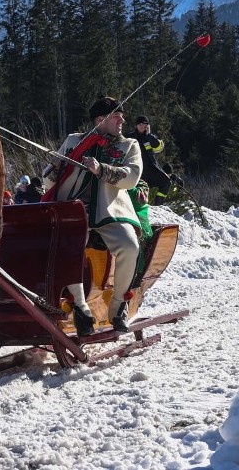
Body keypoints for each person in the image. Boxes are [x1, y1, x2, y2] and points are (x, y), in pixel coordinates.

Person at [42, 96, 143, 336]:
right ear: (101, 119)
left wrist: (101, 170)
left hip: (111, 212)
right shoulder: (74, 142)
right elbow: (47, 180)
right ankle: (80, 306)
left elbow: (131, 178)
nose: (123, 120)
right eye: (117, 116)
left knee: (129, 246)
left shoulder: (128, 145)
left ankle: (118, 305)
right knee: (65, 250)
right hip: (72, 213)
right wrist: (57, 167)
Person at [126, 116, 173, 206]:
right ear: (136, 126)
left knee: (166, 181)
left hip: (151, 169)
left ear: (147, 126)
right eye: (139, 124)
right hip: (137, 170)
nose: (141, 126)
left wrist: (149, 136)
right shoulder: (130, 136)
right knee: (138, 191)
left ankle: (158, 206)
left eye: (144, 124)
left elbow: (158, 147)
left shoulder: (150, 137)